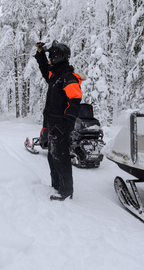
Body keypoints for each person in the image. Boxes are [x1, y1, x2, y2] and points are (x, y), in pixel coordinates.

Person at [34, 40, 85, 201]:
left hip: (61, 126)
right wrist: (41, 54)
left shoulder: (68, 77)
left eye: (50, 57)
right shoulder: (55, 74)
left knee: (61, 157)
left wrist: (64, 125)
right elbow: (44, 70)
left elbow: (75, 104)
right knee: (52, 156)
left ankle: (66, 191)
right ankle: (56, 186)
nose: (49, 60)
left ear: (58, 58)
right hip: (51, 124)